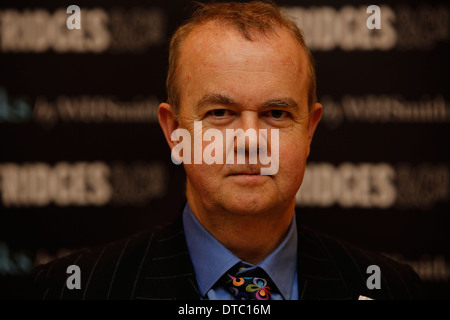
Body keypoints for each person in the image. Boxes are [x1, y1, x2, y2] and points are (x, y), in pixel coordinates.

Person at [30, 1, 423, 300]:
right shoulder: (73, 289)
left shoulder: (394, 289)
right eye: (220, 113)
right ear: (174, 132)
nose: (250, 140)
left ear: (310, 130)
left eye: (276, 113)